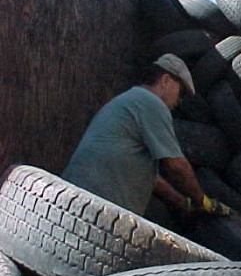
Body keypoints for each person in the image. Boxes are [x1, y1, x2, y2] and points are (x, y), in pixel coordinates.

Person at [62, 53, 229, 217]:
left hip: (73, 196)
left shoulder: (131, 100)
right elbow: (177, 166)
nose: (180, 101)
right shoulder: (151, 103)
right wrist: (203, 201)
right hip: (97, 205)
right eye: (181, 92)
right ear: (166, 81)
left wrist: (180, 201)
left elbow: (153, 179)